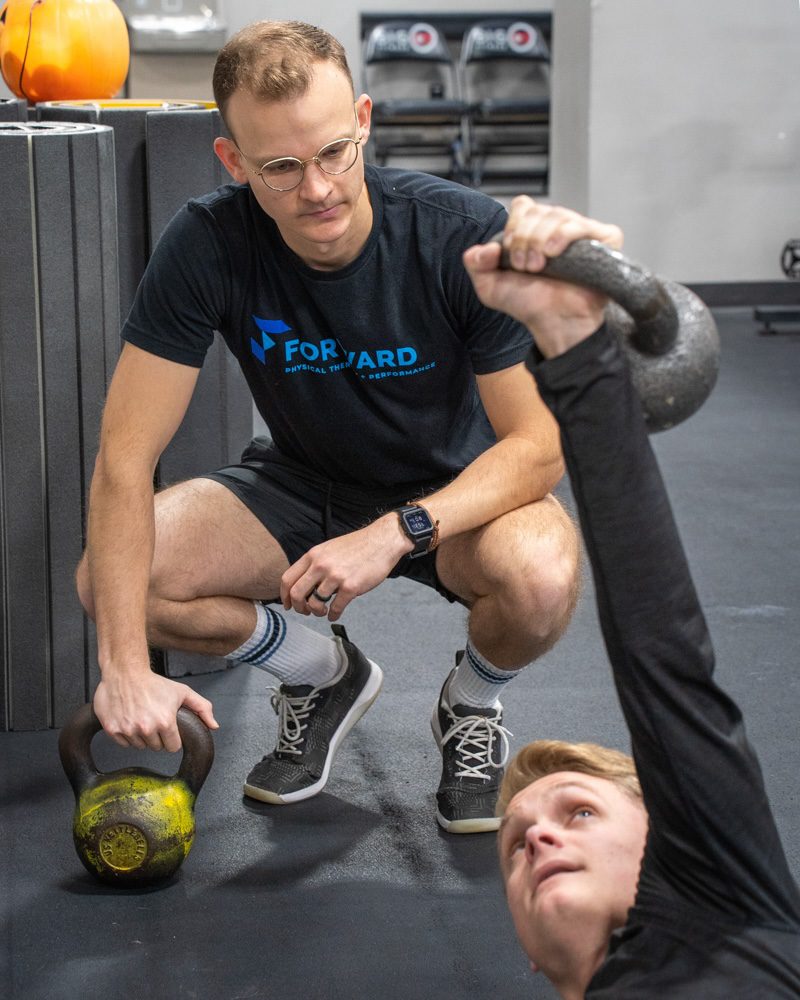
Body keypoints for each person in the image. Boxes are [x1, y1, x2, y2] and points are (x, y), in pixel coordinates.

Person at [73, 20, 623, 833]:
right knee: (112, 585)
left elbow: (538, 449)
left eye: (334, 152)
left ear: (363, 120)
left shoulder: (457, 234)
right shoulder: (209, 242)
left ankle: (469, 706)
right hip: (302, 481)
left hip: (454, 492)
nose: (319, 189)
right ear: (234, 161)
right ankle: (319, 671)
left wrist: (399, 530)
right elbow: (125, 457)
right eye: (282, 168)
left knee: (542, 575)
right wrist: (121, 666)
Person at [462, 200, 800, 993]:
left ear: (671, 837)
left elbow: (662, 650)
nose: (536, 840)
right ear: (528, 955)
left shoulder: (726, 908)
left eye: (575, 813)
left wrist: (575, 346)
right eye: (516, 846)